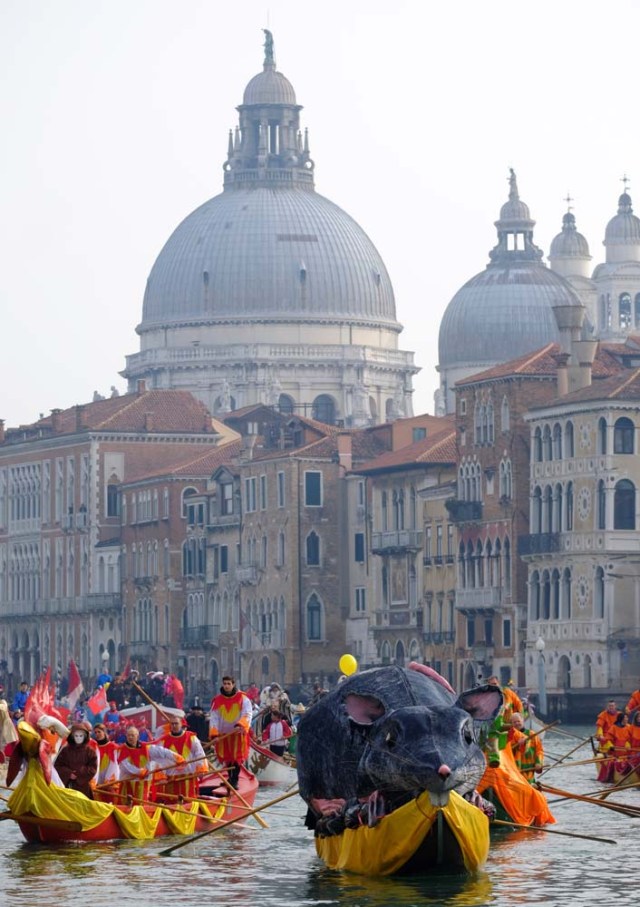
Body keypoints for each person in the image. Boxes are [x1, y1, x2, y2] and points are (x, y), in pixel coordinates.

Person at [117, 724, 184, 804]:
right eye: (129, 735)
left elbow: (162, 752)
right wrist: (139, 772)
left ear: (137, 736)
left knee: (142, 804)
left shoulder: (146, 748)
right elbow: (125, 767)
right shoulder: (121, 750)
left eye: (133, 735)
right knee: (125, 803)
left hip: (143, 783)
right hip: (127, 783)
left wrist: (177, 757)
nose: (130, 737)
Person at [209, 675, 252, 789]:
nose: (227, 686)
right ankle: (230, 778)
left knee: (236, 757)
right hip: (224, 735)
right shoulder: (217, 700)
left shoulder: (243, 698)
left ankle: (235, 780)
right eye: (225, 684)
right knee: (227, 757)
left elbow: (247, 713)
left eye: (229, 683)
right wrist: (214, 734)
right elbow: (214, 718)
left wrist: (241, 725)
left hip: (238, 733)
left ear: (233, 684)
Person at [155, 711, 208, 802]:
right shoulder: (163, 740)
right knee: (171, 801)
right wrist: (161, 776)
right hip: (171, 778)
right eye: (172, 724)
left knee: (188, 800)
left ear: (181, 724)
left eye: (176, 723)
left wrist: (201, 769)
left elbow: (200, 754)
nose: (174, 726)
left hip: (188, 776)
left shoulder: (191, 737)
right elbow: (159, 760)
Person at [54, 722, 98, 798]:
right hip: (67, 785)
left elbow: (93, 768)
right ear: (72, 736)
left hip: (83, 787)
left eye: (81, 736)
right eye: (76, 736)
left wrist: (79, 774)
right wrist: (68, 774)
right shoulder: (65, 751)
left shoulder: (90, 751)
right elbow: (58, 766)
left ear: (85, 736)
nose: (78, 738)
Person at [510, 713, 544, 782]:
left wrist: (539, 763)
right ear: (511, 724)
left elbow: (539, 751)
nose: (517, 723)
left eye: (518, 721)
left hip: (529, 770)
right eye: (514, 722)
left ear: (522, 721)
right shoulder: (510, 736)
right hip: (515, 772)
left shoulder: (532, 735)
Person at [91, 722, 120, 802]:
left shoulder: (113, 747)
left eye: (99, 732)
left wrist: (108, 780)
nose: (97, 734)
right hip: (97, 784)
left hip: (109, 784)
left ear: (104, 732)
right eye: (95, 732)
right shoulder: (94, 747)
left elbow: (114, 765)